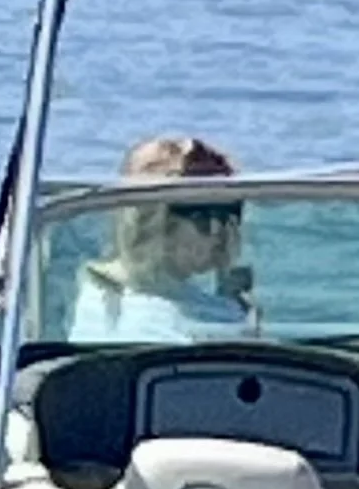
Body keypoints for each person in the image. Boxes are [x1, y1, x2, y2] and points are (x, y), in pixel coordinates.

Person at [69, 133, 254, 344]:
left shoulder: (82, 292)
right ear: (158, 222)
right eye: (205, 216)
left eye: (231, 214)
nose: (221, 232)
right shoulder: (216, 317)